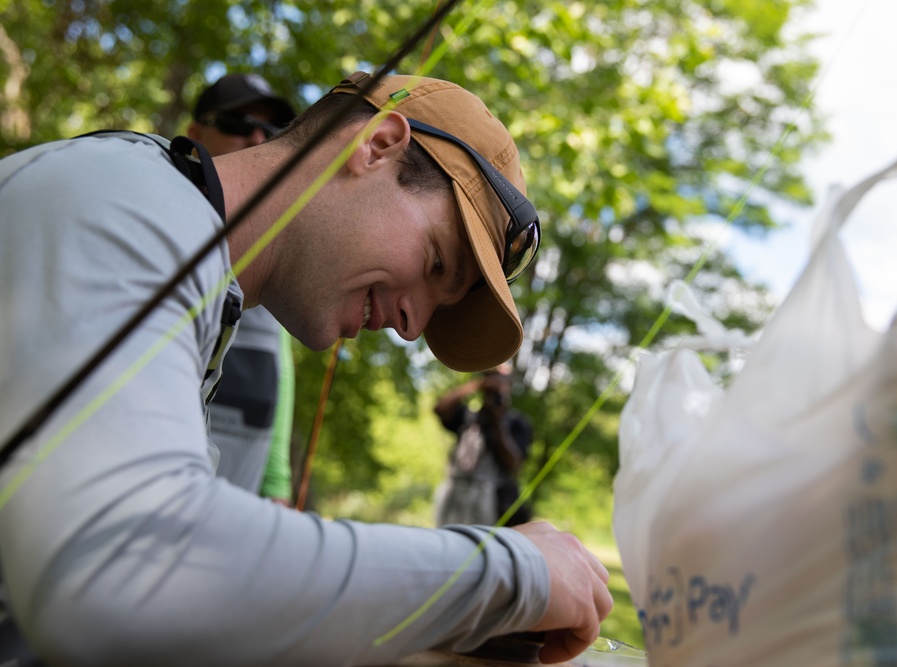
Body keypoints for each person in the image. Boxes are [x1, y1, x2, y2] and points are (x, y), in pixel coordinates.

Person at [0, 71, 612, 666]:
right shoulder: (125, 207)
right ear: (376, 146)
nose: (411, 326)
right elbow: (122, 576)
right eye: (433, 263)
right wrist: (510, 574)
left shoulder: (194, 267)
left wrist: (433, 611)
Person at [187, 73, 297, 506]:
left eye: (269, 131)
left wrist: (277, 483)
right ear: (195, 133)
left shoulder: (278, 246)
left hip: (244, 476)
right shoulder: (157, 222)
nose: (255, 137)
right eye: (238, 123)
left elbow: (277, 364)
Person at [435, 363, 534, 527]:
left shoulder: (517, 423)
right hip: (454, 489)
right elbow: (440, 408)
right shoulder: (468, 416)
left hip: (488, 494)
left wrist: (497, 425)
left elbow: (514, 464)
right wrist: (477, 385)